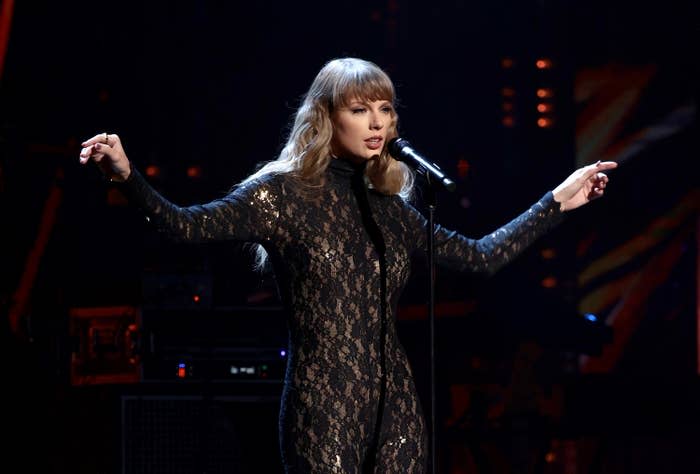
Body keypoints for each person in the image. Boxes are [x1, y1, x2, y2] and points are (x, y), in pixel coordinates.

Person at [79, 57, 616, 473]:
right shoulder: (282, 193)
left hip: (397, 404)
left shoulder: (389, 208)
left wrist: (555, 204)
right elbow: (184, 226)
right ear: (327, 116)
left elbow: (478, 257)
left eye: (385, 109)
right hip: (323, 403)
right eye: (360, 109)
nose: (377, 122)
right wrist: (127, 177)